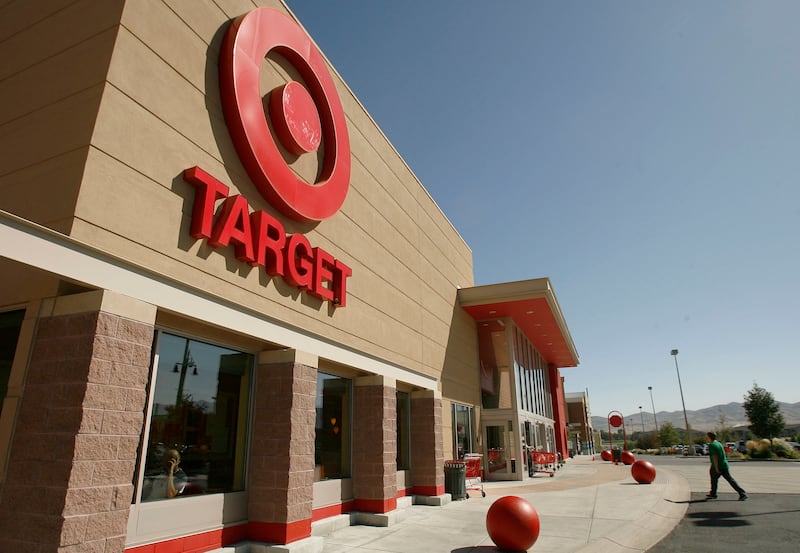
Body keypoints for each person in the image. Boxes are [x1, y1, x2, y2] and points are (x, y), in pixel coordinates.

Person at [706, 432, 747, 500]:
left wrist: (716, 468)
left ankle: (713, 494)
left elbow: (715, 457)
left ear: (709, 437)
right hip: (724, 464)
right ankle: (742, 493)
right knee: (728, 480)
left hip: (718, 465)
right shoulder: (718, 443)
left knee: (714, 479)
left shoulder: (712, 445)